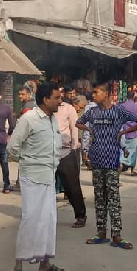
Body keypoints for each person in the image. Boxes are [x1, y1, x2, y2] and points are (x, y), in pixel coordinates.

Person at [8, 82, 68, 271]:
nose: (60, 101)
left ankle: (45, 263)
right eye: (57, 98)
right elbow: (12, 148)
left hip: (49, 177)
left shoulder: (53, 120)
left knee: (49, 221)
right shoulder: (29, 119)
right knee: (30, 220)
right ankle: (18, 267)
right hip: (32, 178)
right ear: (45, 99)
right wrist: (28, 162)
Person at [77, 82, 137, 250]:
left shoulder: (119, 111)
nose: (93, 95)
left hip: (112, 162)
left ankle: (117, 236)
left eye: (96, 92)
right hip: (96, 161)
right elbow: (78, 123)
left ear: (107, 93)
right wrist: (90, 131)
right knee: (100, 199)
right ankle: (101, 233)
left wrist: (124, 132)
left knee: (114, 200)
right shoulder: (92, 112)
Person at [54, 90, 85, 228]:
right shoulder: (41, 110)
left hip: (65, 152)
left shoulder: (68, 108)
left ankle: (80, 215)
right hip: (47, 153)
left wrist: (74, 148)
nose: (58, 98)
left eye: (59, 95)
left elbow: (74, 128)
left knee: (72, 186)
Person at [120, 90, 137, 176]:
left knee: (122, 150)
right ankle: (132, 170)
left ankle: (121, 165)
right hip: (134, 131)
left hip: (123, 131)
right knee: (133, 151)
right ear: (134, 96)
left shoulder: (121, 105)